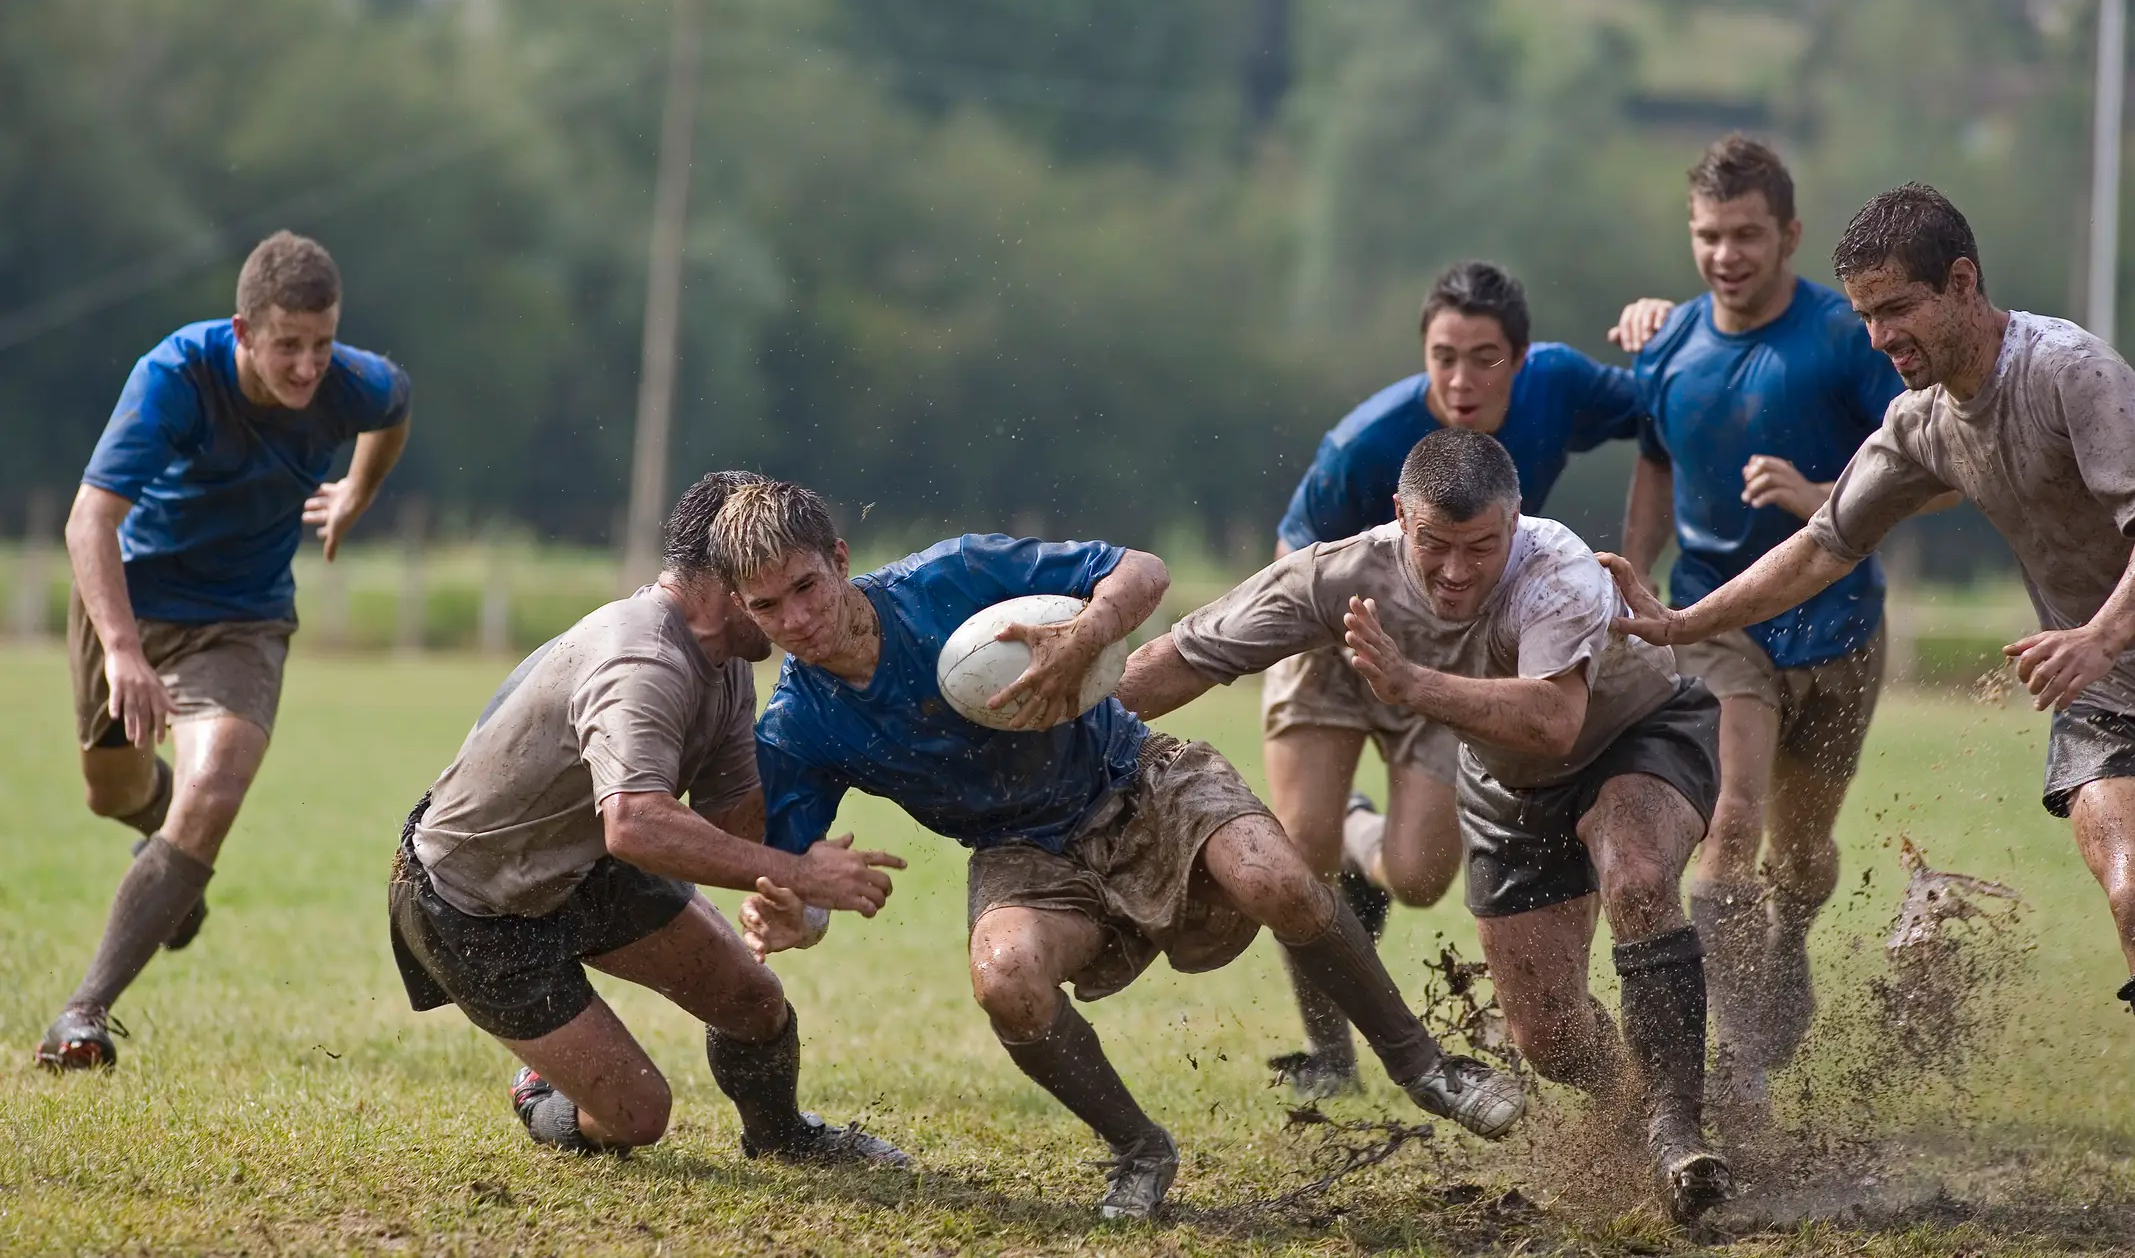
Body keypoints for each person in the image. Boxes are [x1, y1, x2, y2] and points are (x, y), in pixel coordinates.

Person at [710, 481, 1524, 1221]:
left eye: (807, 586)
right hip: (1020, 850)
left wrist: (1086, 632)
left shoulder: (947, 577)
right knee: (1005, 977)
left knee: (1275, 876)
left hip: (1134, 774)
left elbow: (1143, 570)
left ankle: (1426, 1068)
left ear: (840, 560)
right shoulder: (796, 726)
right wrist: (794, 914)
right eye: (767, 605)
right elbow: (799, 882)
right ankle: (1139, 1147)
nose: (796, 620)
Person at [1121, 428, 1732, 1221]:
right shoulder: (1341, 571)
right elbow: (1188, 654)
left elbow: (1553, 719)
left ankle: (1677, 1129)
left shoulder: (1558, 569)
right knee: (1545, 1037)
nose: (1454, 570)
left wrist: (1409, 681)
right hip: (1507, 783)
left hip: (1636, 733)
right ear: (1398, 518)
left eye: (1479, 546)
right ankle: (1630, 1100)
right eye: (1434, 544)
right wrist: (1061, 721)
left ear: (1513, 523)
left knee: (1637, 874)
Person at [1605, 182, 2135, 1041]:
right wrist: (1679, 622)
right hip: (2108, 699)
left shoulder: (2066, 370)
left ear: (1962, 282)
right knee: (2129, 892)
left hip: (2100, 650)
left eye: (1896, 308)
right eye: (1864, 316)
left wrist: (2097, 634)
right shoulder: (1920, 423)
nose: (1881, 336)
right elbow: (1818, 547)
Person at [388, 471, 908, 1164]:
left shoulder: (724, 661)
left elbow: (731, 825)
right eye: (767, 580)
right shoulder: (644, 655)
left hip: (584, 870)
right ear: (728, 579)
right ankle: (543, 1092)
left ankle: (782, 1137)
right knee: (638, 1114)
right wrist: (796, 871)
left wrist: (829, 754)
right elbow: (634, 822)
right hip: (470, 900)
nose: (793, 617)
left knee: (753, 1000)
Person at [1606, 135, 1941, 1113]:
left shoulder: (1846, 338)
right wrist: (1631, 589)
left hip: (1839, 626)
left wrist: (1819, 495)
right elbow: (1654, 462)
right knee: (1734, 824)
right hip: (1718, 617)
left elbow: (1933, 467)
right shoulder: (1666, 345)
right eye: (1707, 236)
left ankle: (1783, 940)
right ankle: (1735, 1062)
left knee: (1800, 860)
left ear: (1787, 233)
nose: (1724, 255)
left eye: (1745, 234)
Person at [39, 232, 413, 1070]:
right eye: (288, 345)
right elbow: (87, 520)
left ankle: (83, 1013)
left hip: (241, 615)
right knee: (112, 793)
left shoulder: (352, 381)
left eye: (322, 343)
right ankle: (174, 871)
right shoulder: (175, 376)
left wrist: (357, 489)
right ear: (243, 331)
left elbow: (395, 407)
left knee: (214, 787)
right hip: (129, 597)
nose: (309, 365)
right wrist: (125, 652)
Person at [1268, 260, 1642, 1097]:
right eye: (1442, 355)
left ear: (1521, 357)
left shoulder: (1564, 385)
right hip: (1334, 637)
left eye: (1482, 357)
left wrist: (1664, 320)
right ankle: (1329, 1057)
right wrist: (1354, 644)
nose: (1459, 378)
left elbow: (1666, 399)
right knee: (1299, 855)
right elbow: (1291, 564)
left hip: (1448, 651)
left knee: (1418, 874)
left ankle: (1365, 835)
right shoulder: (1364, 443)